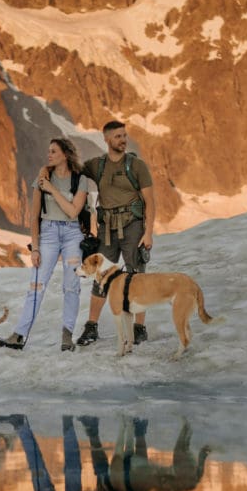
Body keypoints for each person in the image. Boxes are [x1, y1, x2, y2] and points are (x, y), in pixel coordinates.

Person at [0, 138, 90, 351]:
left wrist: (52, 189)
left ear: (65, 155)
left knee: (71, 286)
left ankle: (67, 336)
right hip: (48, 233)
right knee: (37, 285)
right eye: (48, 151)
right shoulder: (42, 178)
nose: (49, 155)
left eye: (54, 151)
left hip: (73, 234)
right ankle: (19, 335)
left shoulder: (80, 179)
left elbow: (73, 211)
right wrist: (36, 248)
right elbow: (34, 216)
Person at [74, 121, 155, 347]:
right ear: (107, 139)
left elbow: (150, 201)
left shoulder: (136, 165)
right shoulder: (97, 165)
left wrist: (148, 232)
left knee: (137, 276)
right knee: (100, 276)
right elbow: (73, 170)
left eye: (124, 136)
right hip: (106, 229)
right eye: (118, 136)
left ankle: (139, 329)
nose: (123, 140)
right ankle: (91, 327)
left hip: (133, 227)